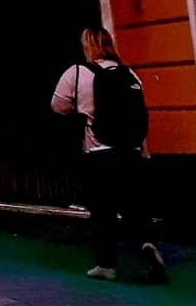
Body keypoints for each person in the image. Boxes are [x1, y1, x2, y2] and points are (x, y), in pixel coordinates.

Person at [52, 26, 167, 283]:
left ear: (87, 46)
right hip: (131, 152)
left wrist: (79, 108)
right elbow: (139, 113)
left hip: (98, 153)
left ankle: (107, 265)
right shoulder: (130, 75)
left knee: (102, 210)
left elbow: (57, 106)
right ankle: (148, 244)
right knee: (135, 206)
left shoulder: (79, 72)